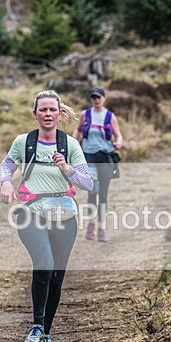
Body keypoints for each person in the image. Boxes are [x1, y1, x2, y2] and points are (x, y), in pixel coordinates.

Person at [0, 90, 93, 342]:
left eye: (53, 110)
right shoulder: (24, 142)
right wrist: (6, 182)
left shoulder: (70, 145)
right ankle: (36, 326)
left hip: (65, 215)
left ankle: (47, 335)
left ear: (60, 114)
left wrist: (67, 168)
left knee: (57, 276)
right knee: (44, 264)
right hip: (30, 211)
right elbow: (6, 167)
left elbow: (87, 183)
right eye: (43, 110)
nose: (48, 114)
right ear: (35, 114)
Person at [72, 87, 123, 242]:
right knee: (92, 191)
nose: (96, 100)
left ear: (104, 99)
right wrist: (72, 143)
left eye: (98, 97)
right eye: (93, 97)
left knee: (103, 194)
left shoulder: (109, 116)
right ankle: (90, 226)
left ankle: (102, 228)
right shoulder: (85, 115)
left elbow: (118, 135)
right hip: (88, 158)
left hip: (105, 158)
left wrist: (118, 143)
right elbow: (78, 130)